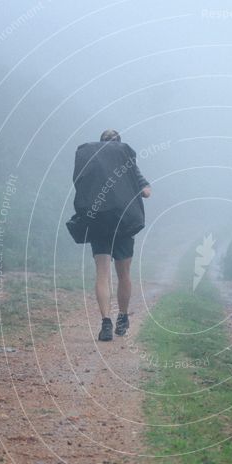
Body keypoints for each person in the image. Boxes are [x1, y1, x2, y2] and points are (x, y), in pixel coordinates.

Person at [72, 129, 152, 341]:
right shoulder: (128, 165)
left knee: (102, 273)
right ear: (119, 144)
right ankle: (122, 318)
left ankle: (105, 322)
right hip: (124, 223)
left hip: (99, 222)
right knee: (124, 273)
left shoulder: (92, 164)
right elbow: (146, 192)